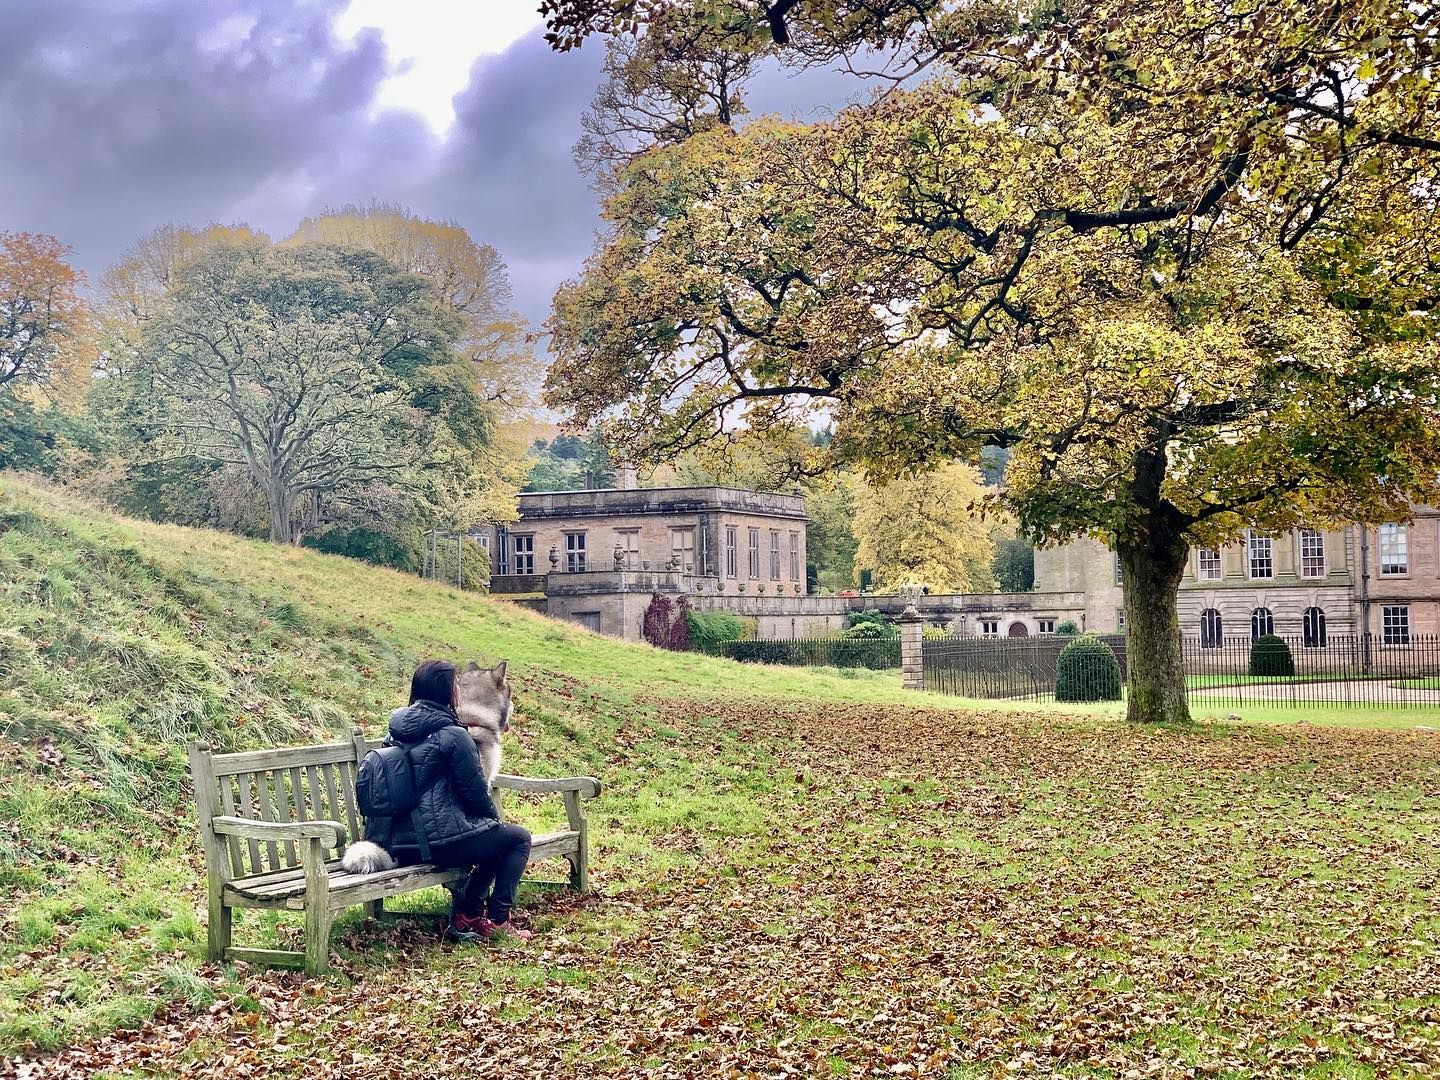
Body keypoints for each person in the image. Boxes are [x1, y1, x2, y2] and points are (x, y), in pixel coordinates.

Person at [371, 658, 533, 941]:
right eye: (456, 686)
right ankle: (495, 919)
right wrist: (493, 822)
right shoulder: (454, 735)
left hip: (398, 843)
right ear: (449, 693)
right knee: (516, 838)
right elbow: (475, 795)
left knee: (494, 836)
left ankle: (469, 913)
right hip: (437, 844)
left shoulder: (394, 730)